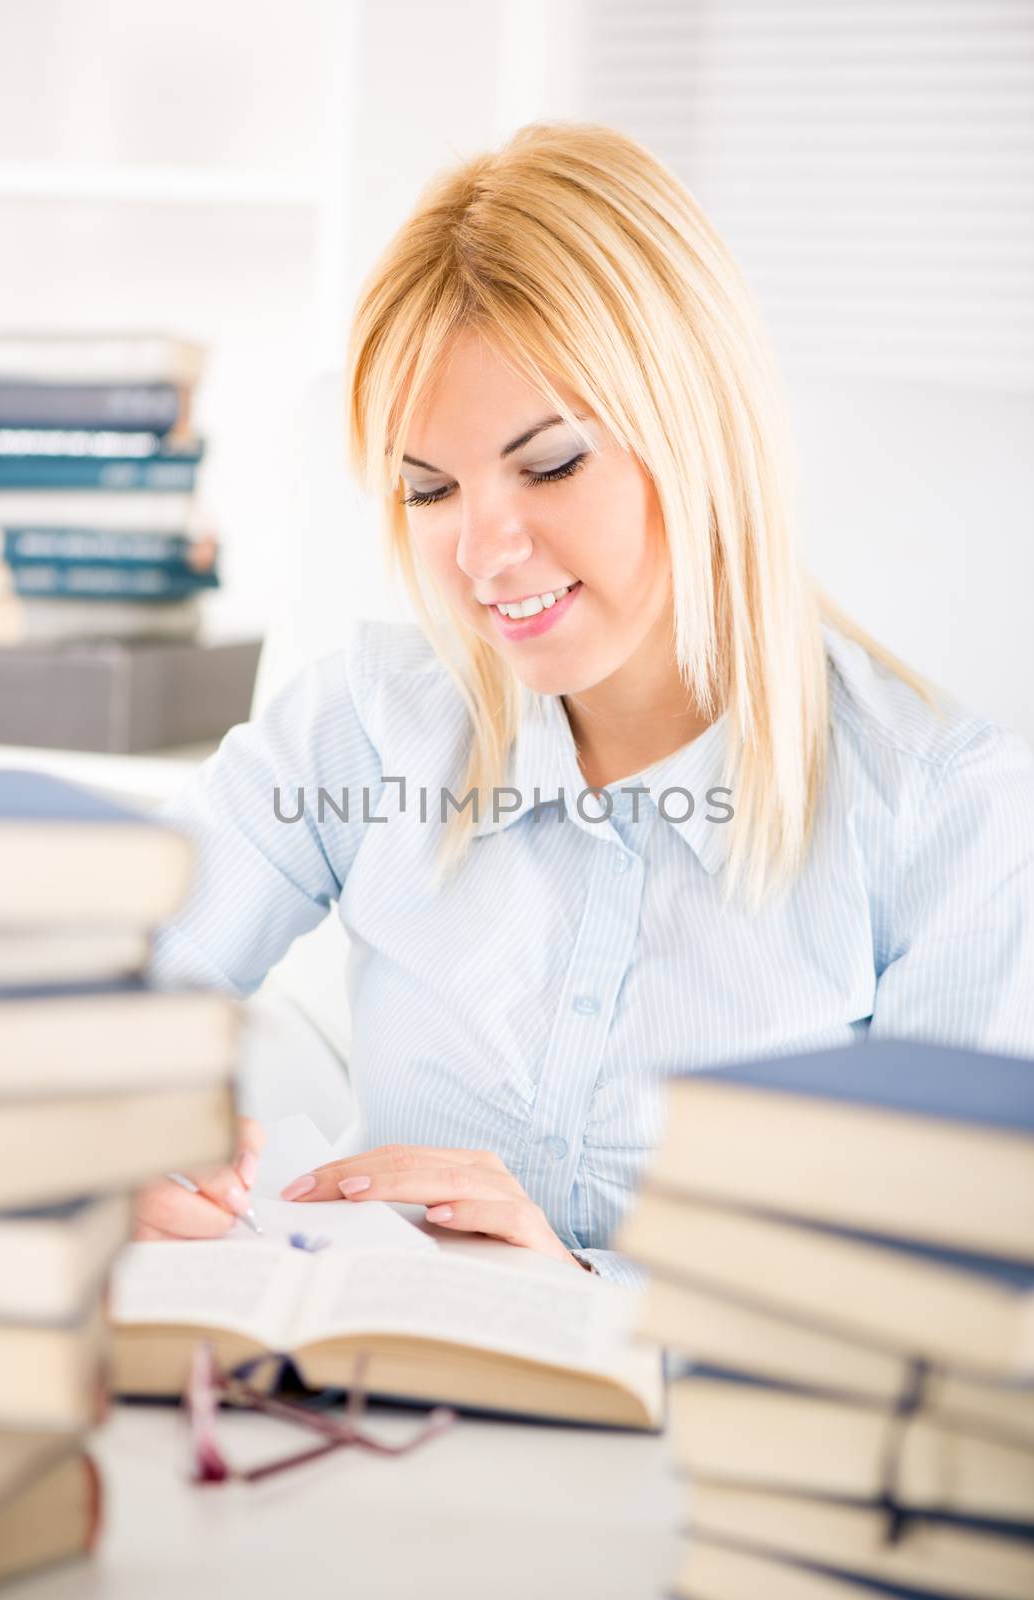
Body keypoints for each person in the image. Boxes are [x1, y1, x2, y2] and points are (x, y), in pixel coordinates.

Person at [132, 122, 1034, 1280]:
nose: (481, 552)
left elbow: (942, 1297)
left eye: (550, 463)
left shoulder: (948, 813)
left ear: (698, 434)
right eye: (429, 488)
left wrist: (578, 1293)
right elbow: (88, 996)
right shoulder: (364, 724)